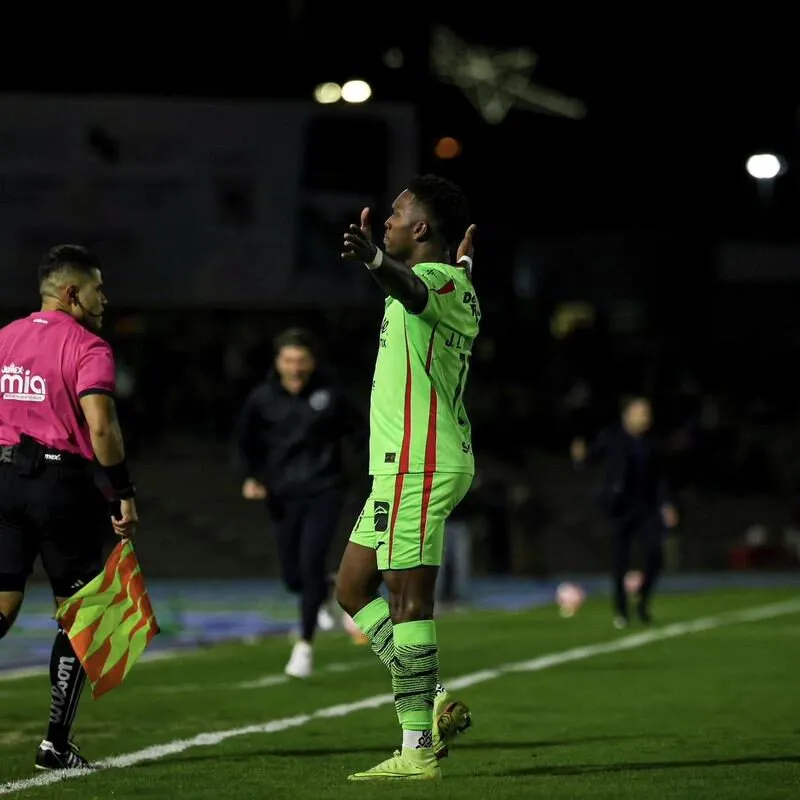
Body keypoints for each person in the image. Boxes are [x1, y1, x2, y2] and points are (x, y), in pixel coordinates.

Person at [335, 174, 479, 781]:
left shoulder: (432, 281)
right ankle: (436, 695)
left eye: (396, 213)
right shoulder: (452, 279)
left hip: (420, 463)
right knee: (350, 589)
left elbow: (417, 289)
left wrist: (371, 257)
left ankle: (418, 747)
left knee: (407, 599)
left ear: (421, 229)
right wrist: (462, 261)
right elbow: (431, 287)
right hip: (400, 467)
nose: (385, 220)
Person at [0, 245, 138, 770]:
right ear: (72, 292)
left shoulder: (4, 339)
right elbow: (101, 427)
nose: (105, 298)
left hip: (4, 480)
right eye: (99, 289)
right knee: (84, 613)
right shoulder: (88, 346)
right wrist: (122, 489)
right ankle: (55, 744)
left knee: (3, 608)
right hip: (60, 485)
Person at [232, 327, 366, 678]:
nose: (295, 368)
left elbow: (361, 431)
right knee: (293, 576)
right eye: (288, 360)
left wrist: (366, 467)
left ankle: (304, 645)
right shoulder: (262, 399)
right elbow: (243, 443)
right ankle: (325, 589)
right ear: (278, 362)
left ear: (313, 362)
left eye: (301, 361)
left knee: (310, 564)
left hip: (325, 490)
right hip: (281, 494)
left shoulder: (332, 393)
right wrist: (251, 477)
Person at [571, 395, 679, 629]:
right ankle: (621, 611)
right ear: (627, 414)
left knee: (655, 554)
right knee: (620, 560)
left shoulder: (651, 442)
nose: (645, 417)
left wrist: (666, 504)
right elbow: (590, 457)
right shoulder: (613, 437)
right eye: (641, 412)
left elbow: (660, 478)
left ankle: (642, 598)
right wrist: (580, 456)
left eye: (647, 413)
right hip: (620, 508)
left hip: (647, 508)